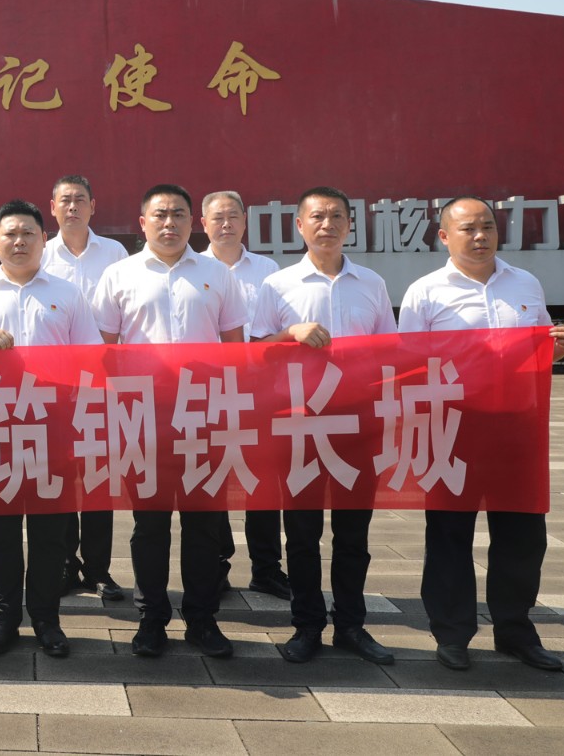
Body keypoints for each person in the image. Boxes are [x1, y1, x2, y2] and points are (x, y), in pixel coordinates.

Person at [399, 196, 564, 672]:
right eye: (468, 229)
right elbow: (408, 366)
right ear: (444, 236)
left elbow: (539, 351)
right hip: (453, 428)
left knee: (523, 534)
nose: (480, 236)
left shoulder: (525, 283)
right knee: (449, 535)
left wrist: (561, 348)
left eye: (488, 227)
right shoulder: (425, 293)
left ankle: (515, 630)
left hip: (517, 429)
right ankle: (452, 633)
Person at [93, 183, 244, 659]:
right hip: (143, 419)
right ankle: (151, 618)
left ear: (192, 222)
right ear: (143, 223)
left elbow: (235, 349)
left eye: (179, 214)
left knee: (204, 524)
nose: (169, 222)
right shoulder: (118, 275)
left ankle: (202, 619)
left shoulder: (218, 275)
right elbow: (102, 351)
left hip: (203, 416)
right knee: (150, 525)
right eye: (160, 214)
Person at [250, 187, 396, 666]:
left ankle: (351, 625)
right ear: (299, 225)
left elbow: (391, 352)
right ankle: (307, 625)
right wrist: (289, 334)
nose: (327, 224)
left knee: (354, 535)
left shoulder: (371, 283)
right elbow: (255, 353)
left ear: (350, 225)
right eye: (317, 216)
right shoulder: (277, 285)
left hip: (358, 423)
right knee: (302, 533)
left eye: (336, 216)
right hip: (300, 424)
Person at [0, 199, 101, 658]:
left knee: (51, 531)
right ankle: (4, 617)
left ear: (43, 239)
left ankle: (46, 618)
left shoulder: (68, 294)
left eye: (28, 234)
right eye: (10, 234)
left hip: (52, 428)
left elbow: (91, 358)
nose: (19, 242)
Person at [40, 175, 128, 602]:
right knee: (60, 474)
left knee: (96, 477)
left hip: (103, 380)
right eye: (65, 200)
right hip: (55, 385)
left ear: (94, 206)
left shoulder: (114, 254)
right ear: (52, 207)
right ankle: (64, 564)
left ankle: (98, 569)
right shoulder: (41, 253)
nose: (72, 207)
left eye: (80, 200)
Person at [200, 190, 289, 602]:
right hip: (210, 390)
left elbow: (275, 326)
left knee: (264, 479)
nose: (226, 224)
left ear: (245, 222)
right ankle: (216, 565)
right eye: (218, 217)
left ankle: (266, 568)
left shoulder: (268, 270)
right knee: (214, 477)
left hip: (261, 387)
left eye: (233, 216)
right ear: (204, 224)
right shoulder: (195, 267)